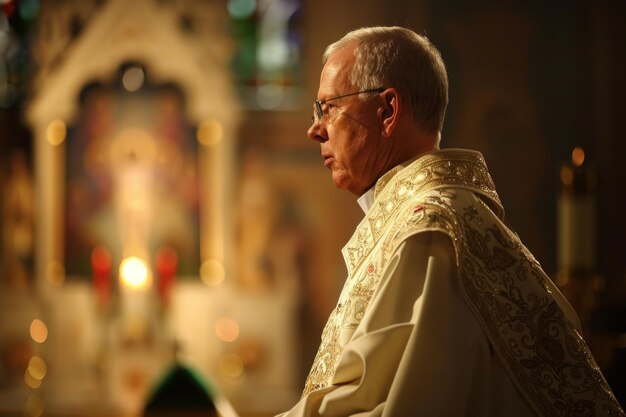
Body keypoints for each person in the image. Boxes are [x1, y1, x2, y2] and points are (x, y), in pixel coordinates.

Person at [277, 26, 625, 416]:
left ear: (388, 111)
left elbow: (398, 407)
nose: (314, 129)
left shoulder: (428, 233)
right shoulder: (447, 218)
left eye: (328, 108)